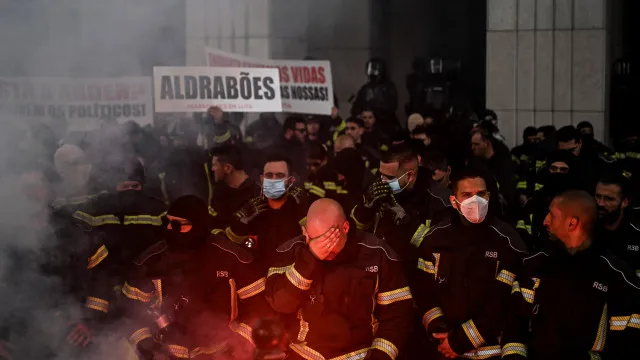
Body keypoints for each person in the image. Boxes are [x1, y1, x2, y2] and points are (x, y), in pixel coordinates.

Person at [121, 195, 269, 359]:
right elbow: (131, 310)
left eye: (177, 225)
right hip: (168, 354)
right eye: (167, 222)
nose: (169, 229)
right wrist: (146, 346)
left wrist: (237, 347)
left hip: (222, 352)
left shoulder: (232, 258)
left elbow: (258, 308)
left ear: (198, 225)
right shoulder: (151, 260)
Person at [265, 198, 414, 360]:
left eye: (329, 239)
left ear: (345, 227)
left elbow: (397, 316)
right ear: (304, 232)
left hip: (360, 354)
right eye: (314, 239)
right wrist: (309, 259)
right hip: (305, 353)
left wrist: (380, 356)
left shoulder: (378, 254)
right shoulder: (290, 252)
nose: (323, 247)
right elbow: (280, 303)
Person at [502, 190, 640, 359]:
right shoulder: (534, 264)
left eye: (552, 215)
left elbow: (627, 346)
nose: (545, 221)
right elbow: (514, 329)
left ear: (572, 223)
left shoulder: (617, 277)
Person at [413, 168, 527, 360]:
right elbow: (423, 292)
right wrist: (440, 332)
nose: (475, 201)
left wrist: (461, 341)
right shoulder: (434, 239)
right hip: (445, 350)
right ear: (453, 201)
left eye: (481, 194)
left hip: (491, 352)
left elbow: (502, 303)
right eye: (467, 195)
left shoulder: (509, 242)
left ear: (489, 197)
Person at [72, 157, 167, 346]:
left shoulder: (96, 208)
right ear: (141, 181)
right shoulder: (160, 209)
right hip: (146, 298)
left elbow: (80, 252)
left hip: (104, 297)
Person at [351, 145, 451, 263]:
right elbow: (356, 229)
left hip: (415, 272)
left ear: (409, 175)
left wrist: (406, 221)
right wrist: (365, 208)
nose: (382, 180)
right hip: (382, 267)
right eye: (381, 174)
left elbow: (437, 242)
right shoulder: (378, 188)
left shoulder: (439, 200)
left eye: (389, 177)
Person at [224, 154, 311, 270]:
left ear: (290, 181)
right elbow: (232, 247)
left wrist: (304, 212)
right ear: (262, 179)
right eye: (269, 175)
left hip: (293, 276)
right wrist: (240, 224)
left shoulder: (299, 206)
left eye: (280, 176)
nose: (273, 181)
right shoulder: (250, 209)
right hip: (259, 278)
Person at [594, 175, 640, 277]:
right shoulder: (584, 227)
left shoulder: (636, 235)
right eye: (598, 196)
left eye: (609, 199)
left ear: (625, 202)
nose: (600, 203)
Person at [210, 145, 260, 229]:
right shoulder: (218, 192)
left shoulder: (256, 194)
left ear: (228, 168)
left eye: (215, 165)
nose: (212, 169)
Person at [470, 129, 517, 215]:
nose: (473, 147)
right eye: (472, 144)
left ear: (487, 143)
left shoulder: (503, 164)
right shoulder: (475, 164)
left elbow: (509, 190)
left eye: (476, 144)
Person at [351, 57, 399, 135]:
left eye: (375, 68)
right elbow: (357, 106)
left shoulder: (388, 87)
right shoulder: (365, 88)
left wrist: (376, 112)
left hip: (384, 122)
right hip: (367, 123)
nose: (373, 71)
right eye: (371, 68)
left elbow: (392, 106)